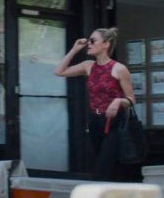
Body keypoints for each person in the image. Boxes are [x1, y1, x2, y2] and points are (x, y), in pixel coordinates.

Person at [54, 27, 136, 181]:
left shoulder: (119, 69)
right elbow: (59, 71)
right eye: (88, 41)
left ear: (106, 44)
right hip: (95, 120)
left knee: (104, 168)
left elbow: (131, 99)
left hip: (113, 122)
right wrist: (74, 49)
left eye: (93, 41)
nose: (88, 44)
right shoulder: (88, 65)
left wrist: (118, 101)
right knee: (100, 163)